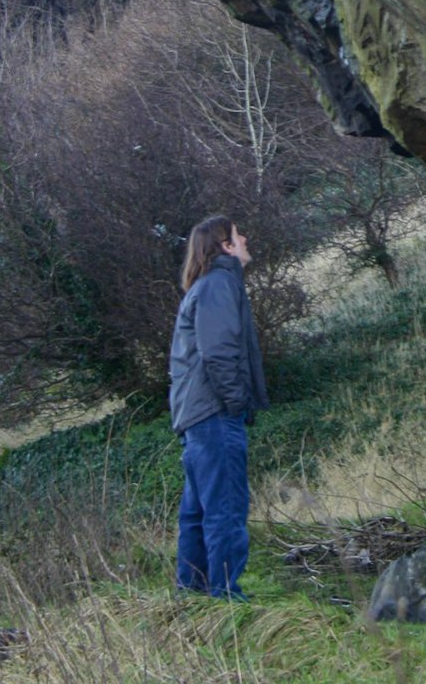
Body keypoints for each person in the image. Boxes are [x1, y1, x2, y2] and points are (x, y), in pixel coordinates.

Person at [169, 214, 270, 599]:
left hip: (197, 416)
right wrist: (235, 402)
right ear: (225, 247)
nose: (244, 238)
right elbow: (219, 352)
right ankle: (225, 597)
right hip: (214, 415)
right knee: (225, 508)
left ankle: (192, 594)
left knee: (197, 513)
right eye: (237, 235)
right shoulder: (219, 285)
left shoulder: (206, 287)